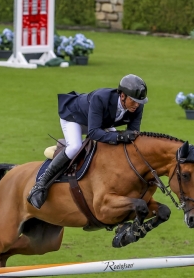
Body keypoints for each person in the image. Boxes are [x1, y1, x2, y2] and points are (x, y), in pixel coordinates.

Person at [27, 74, 149, 209]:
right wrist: (119, 137)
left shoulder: (137, 106)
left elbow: (132, 134)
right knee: (75, 147)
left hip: (100, 122)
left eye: (140, 102)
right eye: (134, 101)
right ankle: (40, 186)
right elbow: (93, 133)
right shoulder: (101, 98)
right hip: (75, 117)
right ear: (122, 96)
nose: (137, 105)